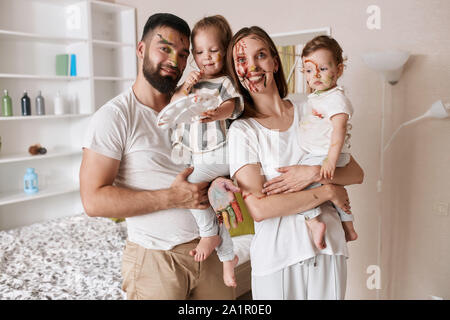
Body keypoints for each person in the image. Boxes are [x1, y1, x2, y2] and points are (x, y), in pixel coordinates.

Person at [79, 13, 236, 300]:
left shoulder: (196, 105)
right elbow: (93, 201)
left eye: (184, 53)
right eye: (164, 48)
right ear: (141, 50)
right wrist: (173, 197)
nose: (174, 61)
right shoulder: (114, 117)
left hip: (210, 251)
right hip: (156, 260)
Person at [225, 26, 364, 300]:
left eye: (260, 55)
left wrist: (313, 173)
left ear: (275, 62)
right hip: (278, 257)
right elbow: (260, 208)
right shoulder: (243, 131)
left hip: (328, 250)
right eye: (242, 60)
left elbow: (356, 173)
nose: (252, 66)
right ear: (236, 73)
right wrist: (326, 191)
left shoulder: (311, 110)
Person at [168, 15, 242, 288]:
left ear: (225, 51)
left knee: (186, 186)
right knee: (211, 202)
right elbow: (174, 104)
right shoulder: (192, 85)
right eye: (199, 52)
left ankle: (209, 233)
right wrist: (188, 84)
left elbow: (233, 106)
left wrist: (217, 112)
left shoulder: (224, 81)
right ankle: (227, 261)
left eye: (213, 51)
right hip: (201, 156)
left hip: (220, 153)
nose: (206, 57)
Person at [264, 35, 358, 251]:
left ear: (339, 70)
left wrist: (329, 161)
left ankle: (314, 222)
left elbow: (339, 130)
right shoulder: (318, 97)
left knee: (298, 189)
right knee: (334, 187)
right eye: (308, 70)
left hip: (324, 155)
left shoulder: (336, 99)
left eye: (322, 69)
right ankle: (349, 226)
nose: (314, 75)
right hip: (319, 154)